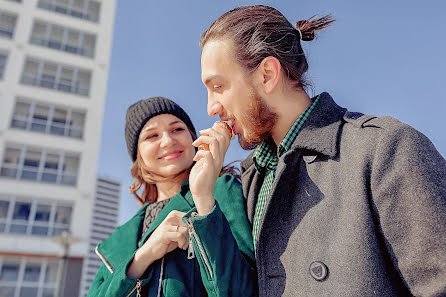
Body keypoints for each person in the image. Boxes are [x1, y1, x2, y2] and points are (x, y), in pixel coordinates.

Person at [196, 5, 446, 297]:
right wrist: (204, 200)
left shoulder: (384, 148)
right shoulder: (253, 176)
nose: (211, 107)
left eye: (218, 86)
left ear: (266, 74)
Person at [87, 96, 256, 297]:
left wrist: (204, 204)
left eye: (177, 129)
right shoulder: (119, 238)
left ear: (194, 138)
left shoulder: (220, 190)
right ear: (138, 155)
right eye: (152, 136)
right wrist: (144, 256)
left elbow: (245, 289)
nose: (168, 141)